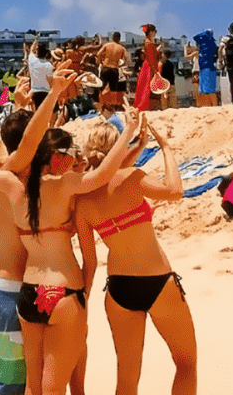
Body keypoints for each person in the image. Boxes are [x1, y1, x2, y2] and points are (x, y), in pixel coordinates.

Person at [0, 96, 142, 395]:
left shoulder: (13, 187)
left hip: (29, 293)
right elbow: (103, 176)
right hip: (63, 292)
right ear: (56, 155)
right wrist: (128, 132)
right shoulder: (65, 186)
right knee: (54, 388)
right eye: (70, 152)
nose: (74, 158)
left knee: (33, 388)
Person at [75, 120, 196, 395]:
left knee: (127, 378)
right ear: (118, 146)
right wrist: (166, 148)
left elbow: (90, 261)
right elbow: (175, 191)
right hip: (158, 282)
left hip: (119, 288)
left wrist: (83, 297)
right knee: (186, 363)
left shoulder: (82, 200)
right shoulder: (131, 177)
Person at [96, 34, 130, 115]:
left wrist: (100, 62)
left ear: (112, 38)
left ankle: (100, 108)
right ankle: (112, 109)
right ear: (119, 39)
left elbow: (98, 54)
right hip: (114, 69)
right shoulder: (121, 48)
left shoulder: (107, 45)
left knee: (101, 89)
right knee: (113, 90)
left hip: (105, 68)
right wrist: (123, 65)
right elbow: (127, 58)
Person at [190, 29, 219, 107]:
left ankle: (209, 105)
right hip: (209, 67)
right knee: (208, 89)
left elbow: (195, 37)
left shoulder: (205, 44)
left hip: (206, 68)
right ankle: (211, 105)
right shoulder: (212, 44)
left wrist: (205, 33)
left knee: (206, 89)